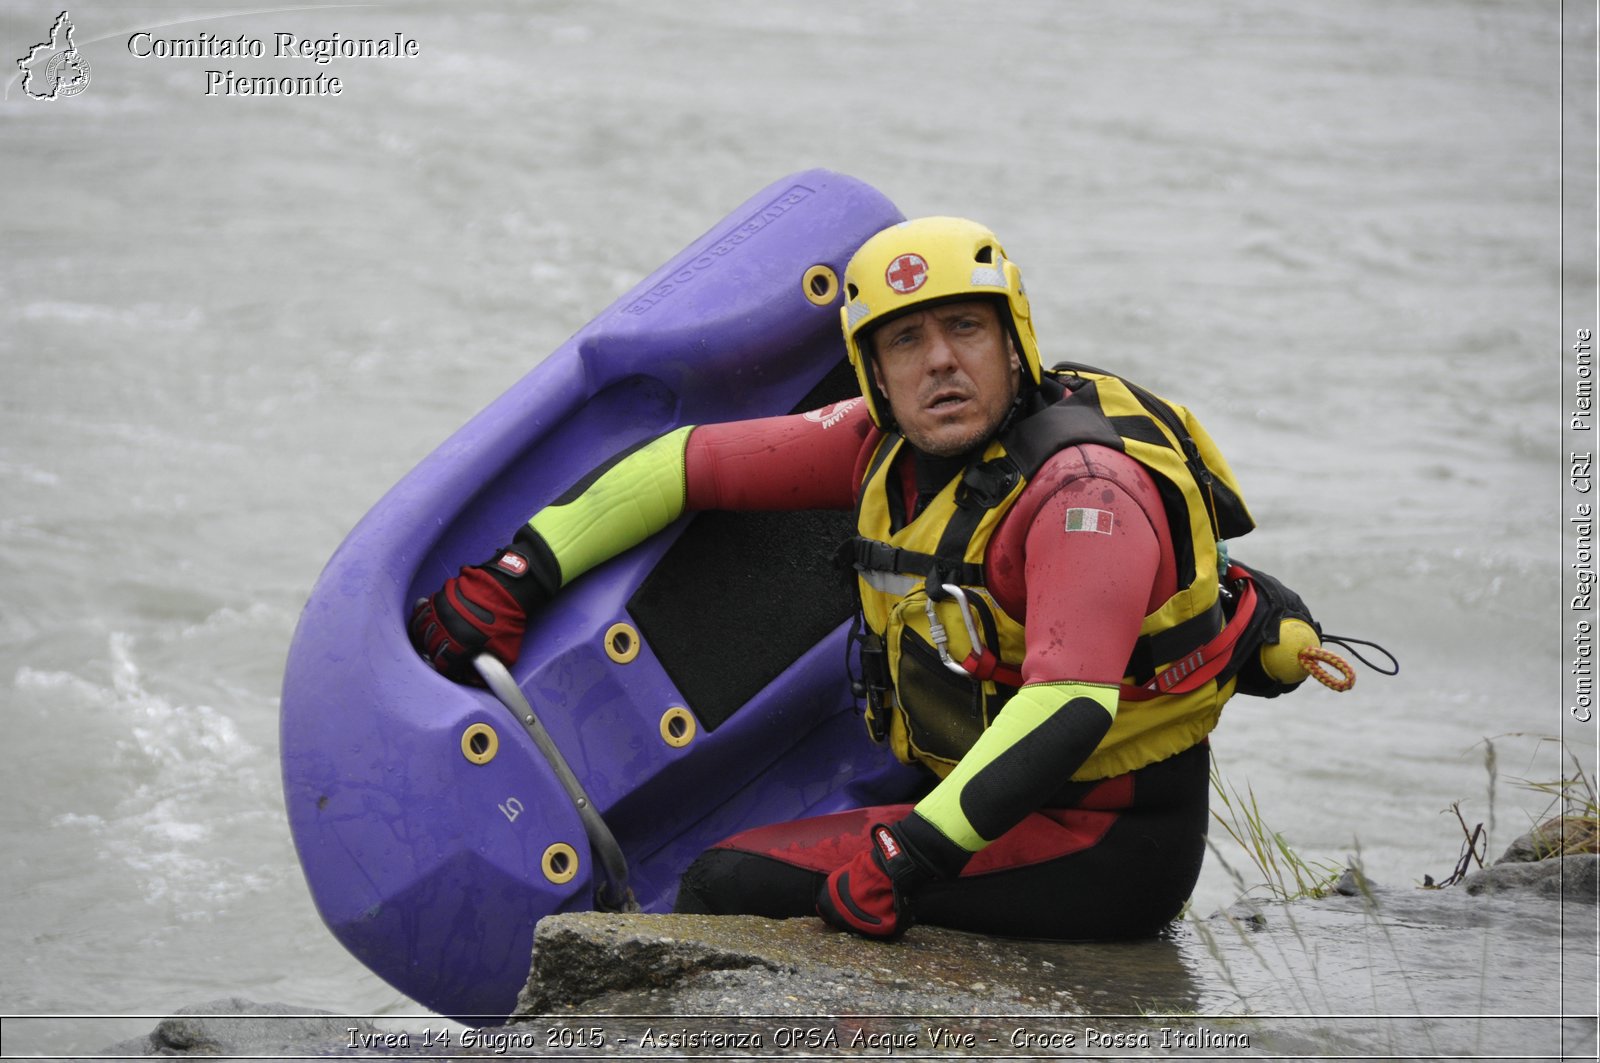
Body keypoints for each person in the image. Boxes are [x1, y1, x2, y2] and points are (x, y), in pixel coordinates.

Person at [410, 216, 1315, 941]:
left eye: (966, 327)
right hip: (982, 789)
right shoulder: (882, 445)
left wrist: (907, 856)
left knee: (728, 883)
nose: (941, 362)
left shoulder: (1087, 495)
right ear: (873, 370)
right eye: (906, 341)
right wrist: (520, 572)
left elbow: (1069, 706)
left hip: (1103, 837)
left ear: (1015, 342)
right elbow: (684, 465)